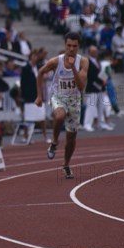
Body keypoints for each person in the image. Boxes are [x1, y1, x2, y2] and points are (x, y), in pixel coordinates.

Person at [35, 32, 88, 179]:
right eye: (69, 45)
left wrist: (73, 69)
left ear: (78, 47)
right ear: (65, 45)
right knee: (60, 115)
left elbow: (80, 86)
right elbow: (40, 72)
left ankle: (66, 165)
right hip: (58, 97)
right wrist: (39, 96)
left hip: (75, 100)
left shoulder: (83, 62)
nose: (71, 49)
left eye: (74, 46)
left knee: (71, 139)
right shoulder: (55, 61)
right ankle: (54, 141)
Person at [20, 49, 47, 142]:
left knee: (42, 117)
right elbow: (23, 83)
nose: (35, 58)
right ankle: (26, 136)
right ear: (30, 57)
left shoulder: (39, 67)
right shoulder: (25, 68)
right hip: (29, 96)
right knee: (28, 118)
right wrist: (23, 96)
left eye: (36, 56)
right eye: (33, 56)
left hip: (39, 95)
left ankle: (45, 136)